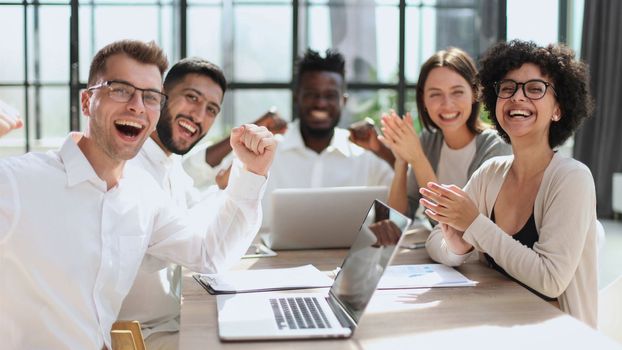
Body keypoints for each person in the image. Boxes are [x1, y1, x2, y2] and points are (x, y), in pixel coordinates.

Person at [0, 40, 276, 349]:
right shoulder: (18, 180)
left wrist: (252, 172)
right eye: (120, 89)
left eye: (150, 97)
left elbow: (210, 254)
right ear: (87, 102)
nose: (137, 105)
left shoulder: (144, 195)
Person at [420, 40, 597, 327]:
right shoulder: (491, 173)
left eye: (535, 89)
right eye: (507, 88)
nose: (518, 98)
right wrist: (457, 247)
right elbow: (435, 242)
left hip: (558, 334)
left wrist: (474, 224)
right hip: (493, 323)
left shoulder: (572, 178)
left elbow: (549, 280)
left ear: (558, 109)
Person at [117, 57, 254, 349]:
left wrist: (230, 187)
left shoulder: (169, 164)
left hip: (173, 320)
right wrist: (251, 175)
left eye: (211, 110)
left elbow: (196, 215)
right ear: (159, 96)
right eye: (192, 97)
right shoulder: (131, 170)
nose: (199, 115)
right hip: (142, 335)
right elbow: (209, 256)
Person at [259, 48, 394, 229]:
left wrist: (382, 150)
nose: (320, 103)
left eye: (330, 95)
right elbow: (219, 179)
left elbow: (408, 196)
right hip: (273, 257)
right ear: (296, 98)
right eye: (311, 94)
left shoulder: (365, 155)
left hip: (343, 257)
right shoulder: (268, 148)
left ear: (343, 101)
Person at [378, 47, 511, 221]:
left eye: (457, 92)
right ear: (423, 100)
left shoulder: (497, 146)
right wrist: (402, 161)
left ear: (474, 93)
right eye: (435, 94)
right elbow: (399, 218)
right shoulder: (428, 140)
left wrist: (417, 158)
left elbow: (464, 225)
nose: (447, 104)